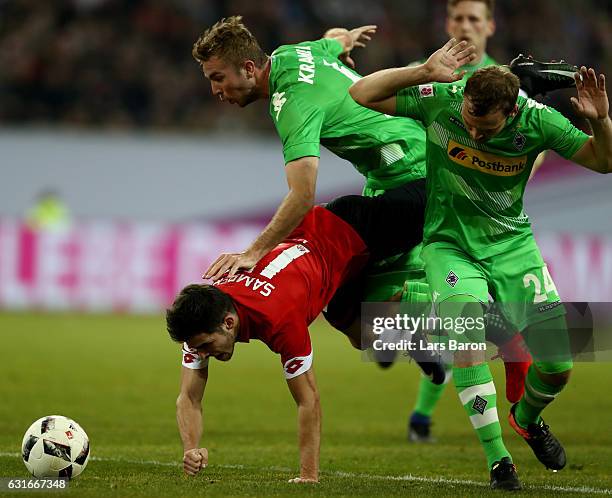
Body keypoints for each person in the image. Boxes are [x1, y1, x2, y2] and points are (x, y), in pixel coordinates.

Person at [349, 37, 611, 489]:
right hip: (449, 246)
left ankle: (526, 420)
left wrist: (602, 121)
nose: (472, 133)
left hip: (513, 247)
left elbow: (604, 162)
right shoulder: (445, 99)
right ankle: (499, 461)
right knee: (466, 337)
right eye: (468, 123)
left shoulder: (539, 122)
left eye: (485, 128)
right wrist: (423, 72)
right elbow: (361, 93)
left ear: (511, 113)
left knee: (558, 366)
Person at [167, 193, 447, 482]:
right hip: (337, 267)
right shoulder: (204, 315)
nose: (201, 354)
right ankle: (411, 335)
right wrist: (191, 449)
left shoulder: (278, 319)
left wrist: (308, 476)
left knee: (440, 195)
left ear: (228, 322)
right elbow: (188, 396)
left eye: (205, 347)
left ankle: (456, 302)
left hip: (355, 225)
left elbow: (308, 400)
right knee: (362, 338)